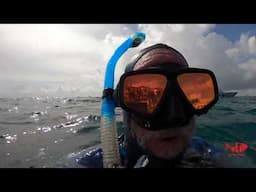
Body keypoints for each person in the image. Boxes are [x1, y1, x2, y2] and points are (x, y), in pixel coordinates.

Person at [69, 43, 232, 168]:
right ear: (121, 105)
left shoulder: (206, 152)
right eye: (143, 95)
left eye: (187, 95)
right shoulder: (91, 161)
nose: (172, 116)